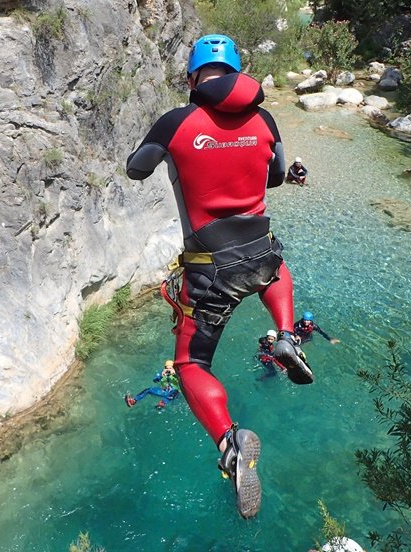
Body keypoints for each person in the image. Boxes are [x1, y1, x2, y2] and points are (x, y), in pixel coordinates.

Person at [126, 33, 312, 519]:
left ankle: (230, 443)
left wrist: (172, 146)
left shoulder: (177, 121)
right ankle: (287, 336)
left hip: (210, 269)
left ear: (192, 77)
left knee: (190, 365)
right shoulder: (266, 118)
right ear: (238, 70)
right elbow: (274, 178)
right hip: (259, 250)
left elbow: (135, 169)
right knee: (276, 269)